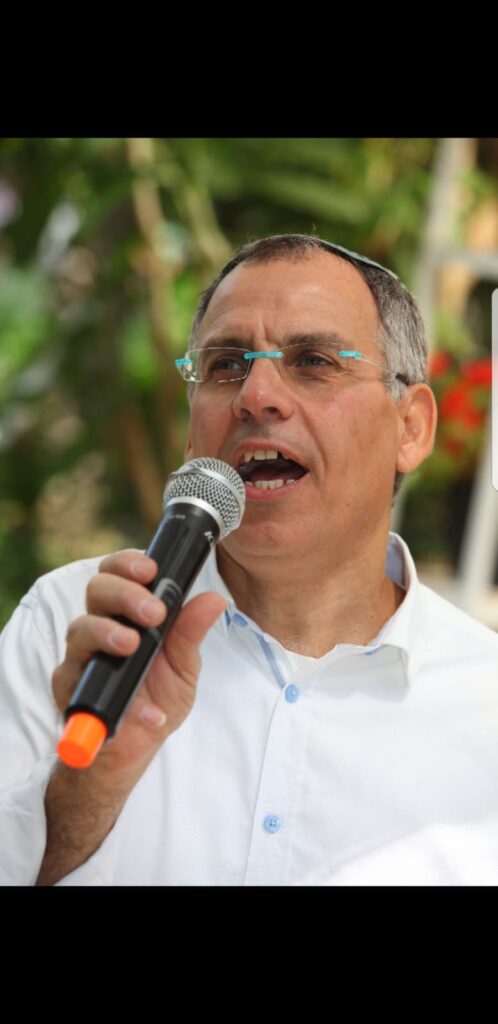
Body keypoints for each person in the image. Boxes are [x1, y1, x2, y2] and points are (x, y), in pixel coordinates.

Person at [1, 233, 498, 887]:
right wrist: (87, 791)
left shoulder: (484, 700)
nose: (256, 394)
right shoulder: (77, 631)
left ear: (411, 428)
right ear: (191, 428)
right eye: (227, 365)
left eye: (314, 361)